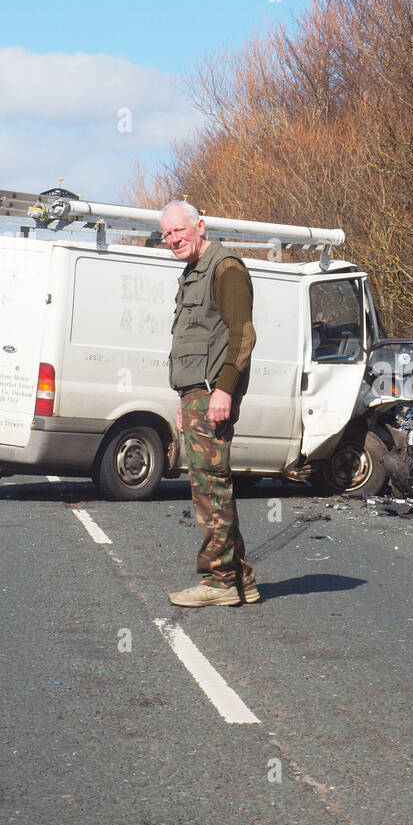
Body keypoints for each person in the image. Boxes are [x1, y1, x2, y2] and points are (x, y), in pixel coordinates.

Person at [162, 200, 261, 607]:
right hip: (197, 395)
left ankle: (218, 583)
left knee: (210, 489)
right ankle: (240, 579)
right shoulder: (194, 273)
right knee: (210, 485)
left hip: (212, 393)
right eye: (167, 234)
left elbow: (243, 334)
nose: (173, 239)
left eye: (179, 230)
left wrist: (223, 390)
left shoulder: (226, 268)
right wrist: (187, 399)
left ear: (199, 226)